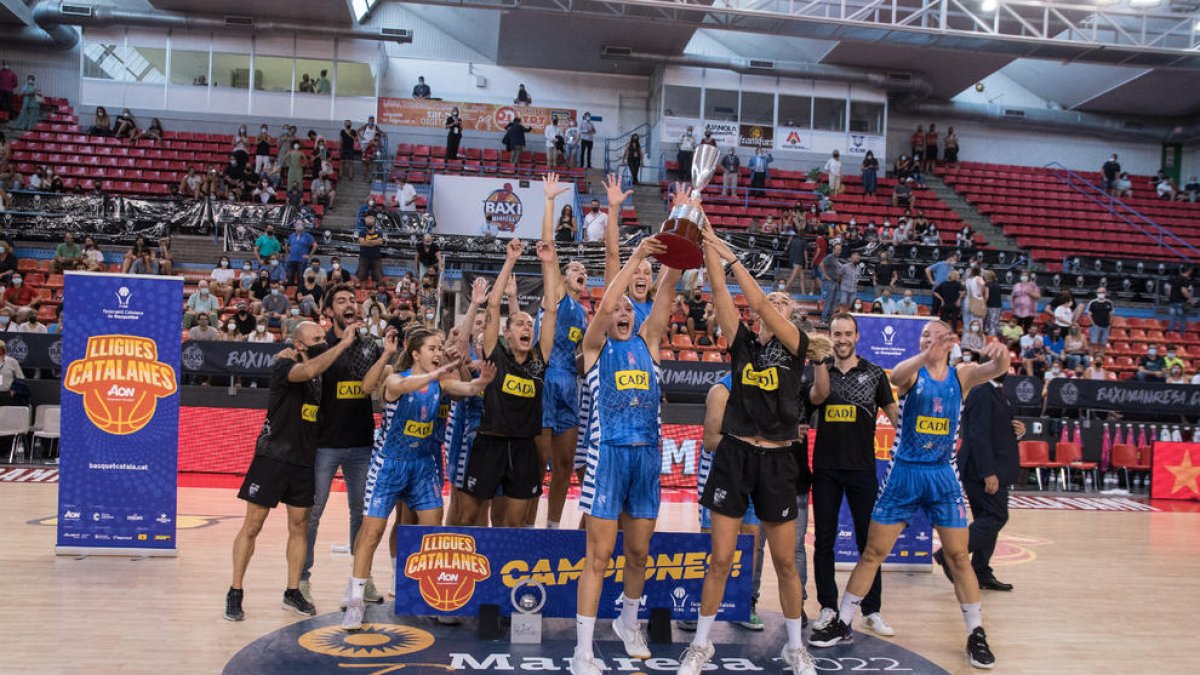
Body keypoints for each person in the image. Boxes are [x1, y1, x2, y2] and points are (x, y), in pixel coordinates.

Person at [808, 326, 1010, 670]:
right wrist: (925, 355)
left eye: (935, 335)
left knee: (959, 556)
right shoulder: (911, 370)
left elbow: (993, 370)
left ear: (948, 341)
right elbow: (899, 377)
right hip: (904, 473)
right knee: (872, 552)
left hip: (942, 474)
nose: (928, 340)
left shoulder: (960, 376)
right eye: (924, 336)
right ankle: (843, 622)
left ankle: (976, 633)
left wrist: (1001, 357)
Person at [677, 223, 817, 675]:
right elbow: (719, 289)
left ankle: (796, 648)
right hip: (736, 455)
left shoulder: (796, 346)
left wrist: (729, 253)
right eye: (771, 304)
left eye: (783, 304)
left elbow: (754, 298)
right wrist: (707, 240)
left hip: (778, 459)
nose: (773, 307)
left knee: (784, 562)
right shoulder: (743, 346)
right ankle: (701, 645)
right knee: (719, 559)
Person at [570, 235, 679, 673]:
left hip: (646, 460)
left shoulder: (648, 344)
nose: (623, 312)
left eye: (628, 309)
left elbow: (667, 294)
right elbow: (604, 306)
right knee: (597, 557)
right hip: (609, 457)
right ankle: (582, 651)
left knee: (638, 553)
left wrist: (681, 248)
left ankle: (628, 623)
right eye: (617, 308)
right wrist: (637, 256)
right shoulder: (596, 349)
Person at [339, 327, 496, 629]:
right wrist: (439, 375)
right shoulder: (395, 380)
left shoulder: (441, 381)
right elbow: (409, 384)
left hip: (423, 465)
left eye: (440, 348)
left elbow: (465, 390)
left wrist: (480, 383)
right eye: (432, 349)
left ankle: (436, 601)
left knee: (433, 534)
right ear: (415, 354)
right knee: (372, 532)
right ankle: (356, 599)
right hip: (389, 465)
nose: (438, 353)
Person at [224, 321, 358, 622]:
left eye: (325, 337)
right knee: (253, 525)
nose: (323, 341)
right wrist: (342, 345)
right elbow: (307, 371)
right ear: (299, 344)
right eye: (317, 338)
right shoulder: (284, 365)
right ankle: (235, 591)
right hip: (272, 457)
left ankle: (292, 590)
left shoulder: (322, 375)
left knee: (299, 526)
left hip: (303, 461)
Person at [455, 237, 558, 527]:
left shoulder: (539, 358)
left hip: (524, 448)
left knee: (515, 525)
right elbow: (491, 308)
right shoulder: (495, 353)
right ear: (507, 334)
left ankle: (508, 571)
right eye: (519, 324)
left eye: (529, 324)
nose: (527, 327)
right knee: (467, 516)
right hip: (490, 443)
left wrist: (548, 264)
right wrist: (509, 259)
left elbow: (550, 311)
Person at [808, 314, 899, 639]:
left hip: (863, 469)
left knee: (868, 543)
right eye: (837, 334)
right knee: (824, 542)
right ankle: (828, 607)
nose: (842, 339)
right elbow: (807, 411)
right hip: (826, 471)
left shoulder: (875, 374)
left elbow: (896, 416)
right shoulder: (822, 371)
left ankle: (871, 610)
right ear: (830, 336)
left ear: (857, 336)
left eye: (847, 333)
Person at [535, 174, 591, 529]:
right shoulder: (555, 296)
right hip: (547, 381)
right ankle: (528, 527)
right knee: (538, 464)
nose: (580, 270)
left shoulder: (585, 314)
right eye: (574, 268)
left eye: (583, 269)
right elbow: (548, 248)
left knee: (566, 465)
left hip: (572, 385)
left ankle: (554, 527)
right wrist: (551, 200)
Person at [948, 354, 1025, 593]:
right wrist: (988, 472)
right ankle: (949, 555)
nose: (1005, 368)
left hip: (989, 467)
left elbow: (996, 430)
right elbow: (978, 436)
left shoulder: (996, 391)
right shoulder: (981, 390)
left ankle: (981, 570)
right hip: (982, 469)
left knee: (987, 519)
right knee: (996, 517)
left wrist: (1018, 431)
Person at [286, 223, 317, 287]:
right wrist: (288, 254)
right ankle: (290, 292)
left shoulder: (307, 235)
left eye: (301, 224)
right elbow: (286, 245)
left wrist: (309, 255)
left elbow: (315, 245)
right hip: (291, 259)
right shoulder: (292, 235)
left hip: (302, 260)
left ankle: (300, 293)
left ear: (303, 226)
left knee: (301, 277)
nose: (299, 225)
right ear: (295, 226)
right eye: (297, 224)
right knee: (290, 277)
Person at [356, 219, 384, 287]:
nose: (368, 225)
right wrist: (374, 242)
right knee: (362, 277)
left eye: (370, 223)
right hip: (364, 258)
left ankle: (375, 293)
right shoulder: (362, 232)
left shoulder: (379, 233)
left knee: (377, 278)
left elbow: (380, 242)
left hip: (376, 258)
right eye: (367, 223)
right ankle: (362, 293)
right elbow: (362, 243)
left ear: (374, 223)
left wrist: (367, 242)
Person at [1167, 266, 1193, 334]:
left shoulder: (1175, 278)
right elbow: (1184, 290)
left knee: (1172, 320)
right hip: (1181, 303)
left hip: (1172, 302)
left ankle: (1170, 335)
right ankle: (1181, 337)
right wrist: (1190, 299)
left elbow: (1169, 290)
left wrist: (1171, 297)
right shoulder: (1185, 279)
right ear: (1189, 271)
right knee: (1182, 321)